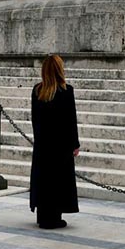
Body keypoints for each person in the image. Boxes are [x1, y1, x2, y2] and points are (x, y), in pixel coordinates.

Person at [29, 55, 81, 229]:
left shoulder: (37, 91)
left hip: (43, 144)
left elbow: (35, 120)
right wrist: (75, 144)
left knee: (44, 180)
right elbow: (70, 120)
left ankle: (43, 215)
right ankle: (54, 216)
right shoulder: (66, 91)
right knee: (58, 181)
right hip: (60, 145)